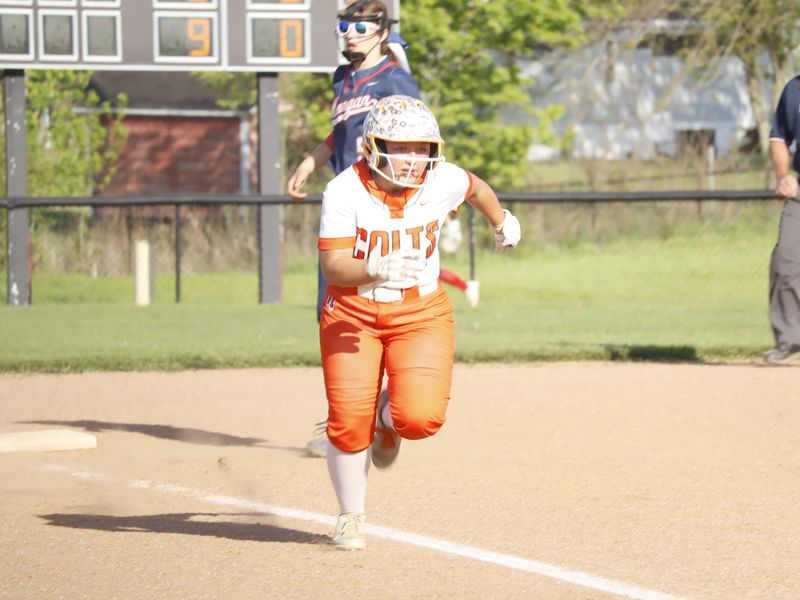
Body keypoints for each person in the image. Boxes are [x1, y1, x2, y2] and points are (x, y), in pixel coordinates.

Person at [317, 95, 521, 549]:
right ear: (372, 145)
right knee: (349, 421)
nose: (413, 158)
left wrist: (501, 220)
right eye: (401, 146)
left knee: (421, 419)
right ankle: (351, 515)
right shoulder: (344, 190)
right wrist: (376, 267)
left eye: (422, 148)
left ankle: (387, 417)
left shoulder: (441, 178)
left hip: (420, 311)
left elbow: (476, 188)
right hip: (353, 312)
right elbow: (333, 266)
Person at [764, 76, 800, 365]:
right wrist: (783, 176)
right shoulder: (795, 89)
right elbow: (779, 137)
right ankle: (791, 339)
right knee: (785, 262)